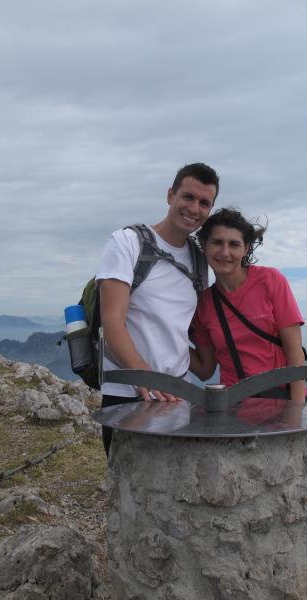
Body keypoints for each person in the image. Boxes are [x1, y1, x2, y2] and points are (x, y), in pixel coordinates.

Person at [96, 162, 219, 455]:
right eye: (187, 197)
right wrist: (145, 375)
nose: (194, 208)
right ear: (170, 195)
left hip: (177, 397)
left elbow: (178, 330)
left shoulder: (200, 262)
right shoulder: (127, 242)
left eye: (204, 203)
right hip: (128, 394)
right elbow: (111, 320)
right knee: (130, 490)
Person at [189, 208, 306, 426]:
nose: (225, 252)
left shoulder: (270, 281)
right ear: (204, 246)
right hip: (232, 410)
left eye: (234, 244)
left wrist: (296, 413)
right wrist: (165, 339)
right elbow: (205, 370)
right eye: (217, 243)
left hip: (279, 404)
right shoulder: (204, 303)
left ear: (246, 249)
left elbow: (295, 355)